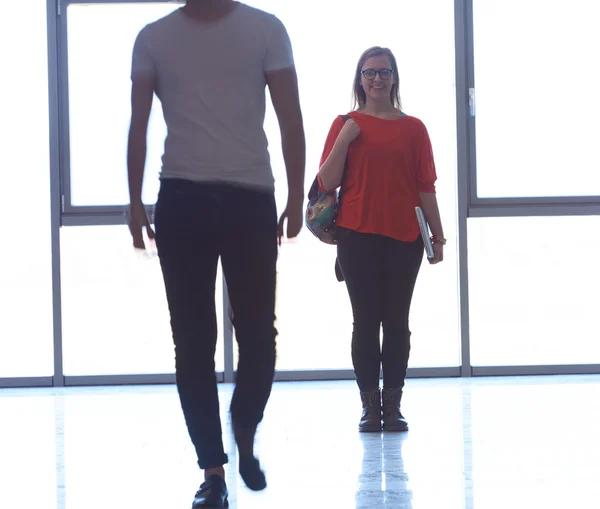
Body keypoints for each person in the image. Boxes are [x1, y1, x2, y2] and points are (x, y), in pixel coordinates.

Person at [126, 1, 305, 507]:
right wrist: (135, 200)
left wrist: (295, 196)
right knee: (192, 341)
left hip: (251, 197)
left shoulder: (267, 30)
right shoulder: (153, 38)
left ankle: (243, 425)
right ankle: (213, 472)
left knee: (258, 335)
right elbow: (139, 123)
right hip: (181, 197)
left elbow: (290, 119)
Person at [318, 46, 445, 433]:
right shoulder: (345, 124)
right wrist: (345, 139)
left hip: (405, 238)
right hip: (356, 237)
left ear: (394, 78)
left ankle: (394, 405)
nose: (377, 78)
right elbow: (326, 182)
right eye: (369, 72)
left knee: (397, 321)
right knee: (365, 321)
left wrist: (436, 237)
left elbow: (426, 188)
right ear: (360, 79)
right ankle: (369, 408)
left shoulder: (414, 128)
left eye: (384, 71)